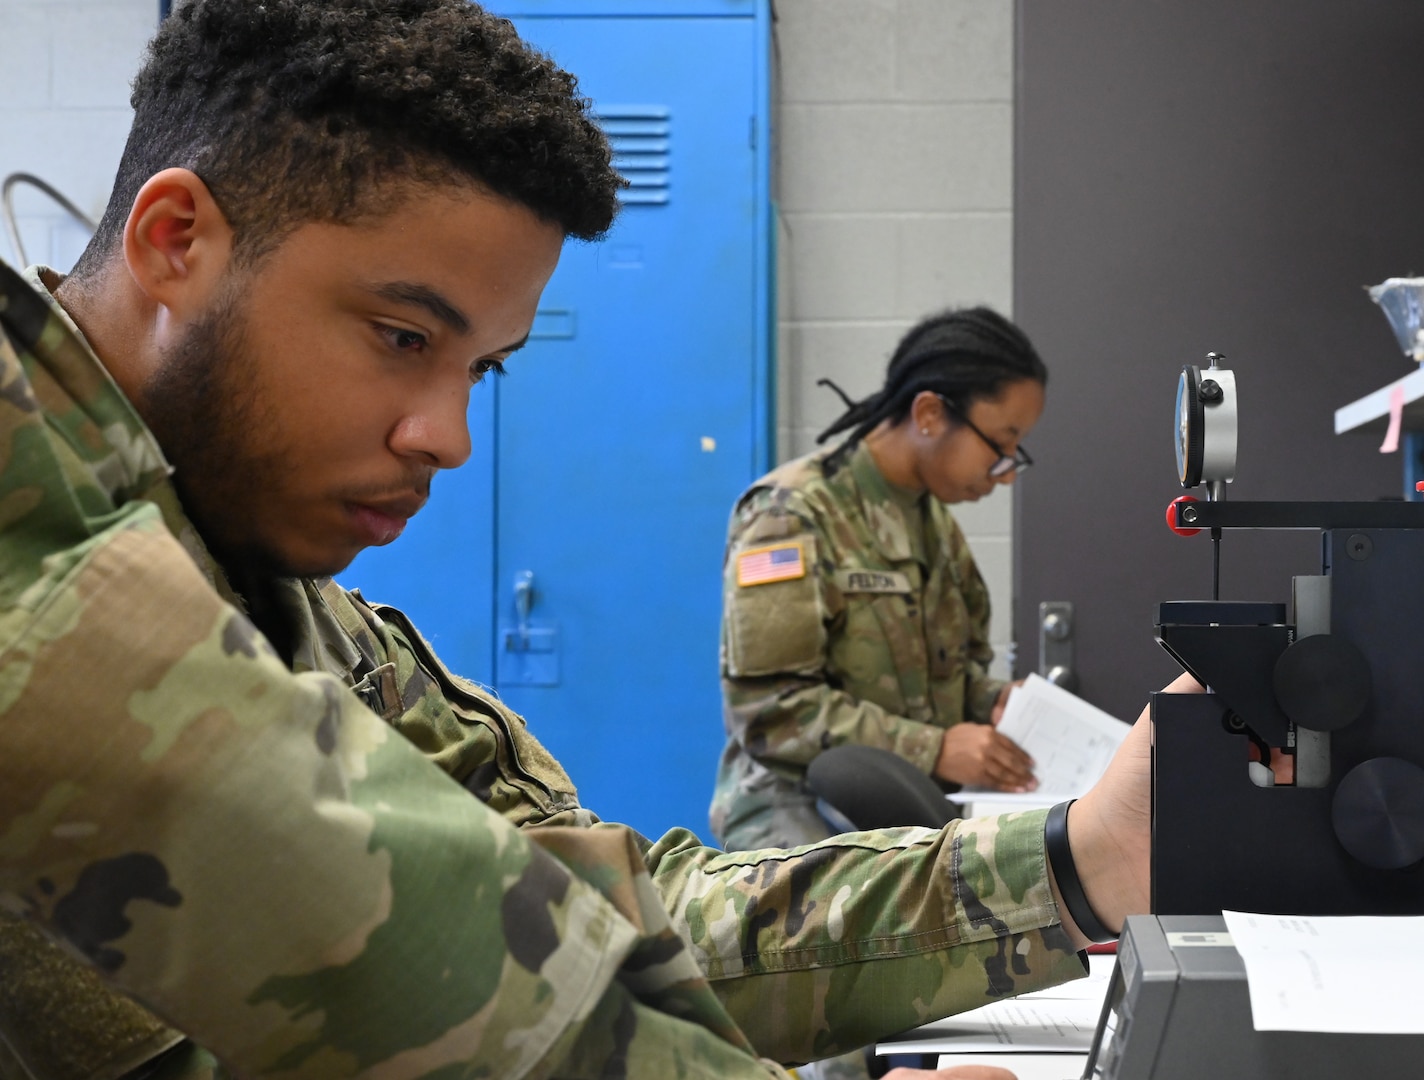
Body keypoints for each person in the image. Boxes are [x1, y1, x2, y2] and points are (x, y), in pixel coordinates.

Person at [0, 3, 1161, 1078]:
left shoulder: (284, 599)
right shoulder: (36, 551)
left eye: (482, 370)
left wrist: (1073, 864)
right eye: (403, 336)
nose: (448, 437)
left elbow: (580, 925)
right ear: (174, 241)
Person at [712, 309, 1046, 854]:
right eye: (1002, 444)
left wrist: (995, 703)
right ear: (931, 413)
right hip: (795, 815)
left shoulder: (935, 525)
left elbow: (946, 683)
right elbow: (771, 713)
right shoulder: (791, 515)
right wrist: (933, 749)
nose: (1007, 471)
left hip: (903, 808)